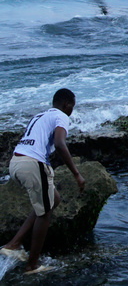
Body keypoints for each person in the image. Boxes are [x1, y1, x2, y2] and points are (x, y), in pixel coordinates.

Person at [2, 89, 86, 276]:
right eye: (72, 106)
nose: (72, 110)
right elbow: (59, 144)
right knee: (44, 213)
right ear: (67, 105)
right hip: (33, 164)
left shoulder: (40, 115)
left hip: (16, 163)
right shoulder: (61, 116)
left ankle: (14, 244)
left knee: (52, 200)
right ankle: (32, 266)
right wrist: (77, 174)